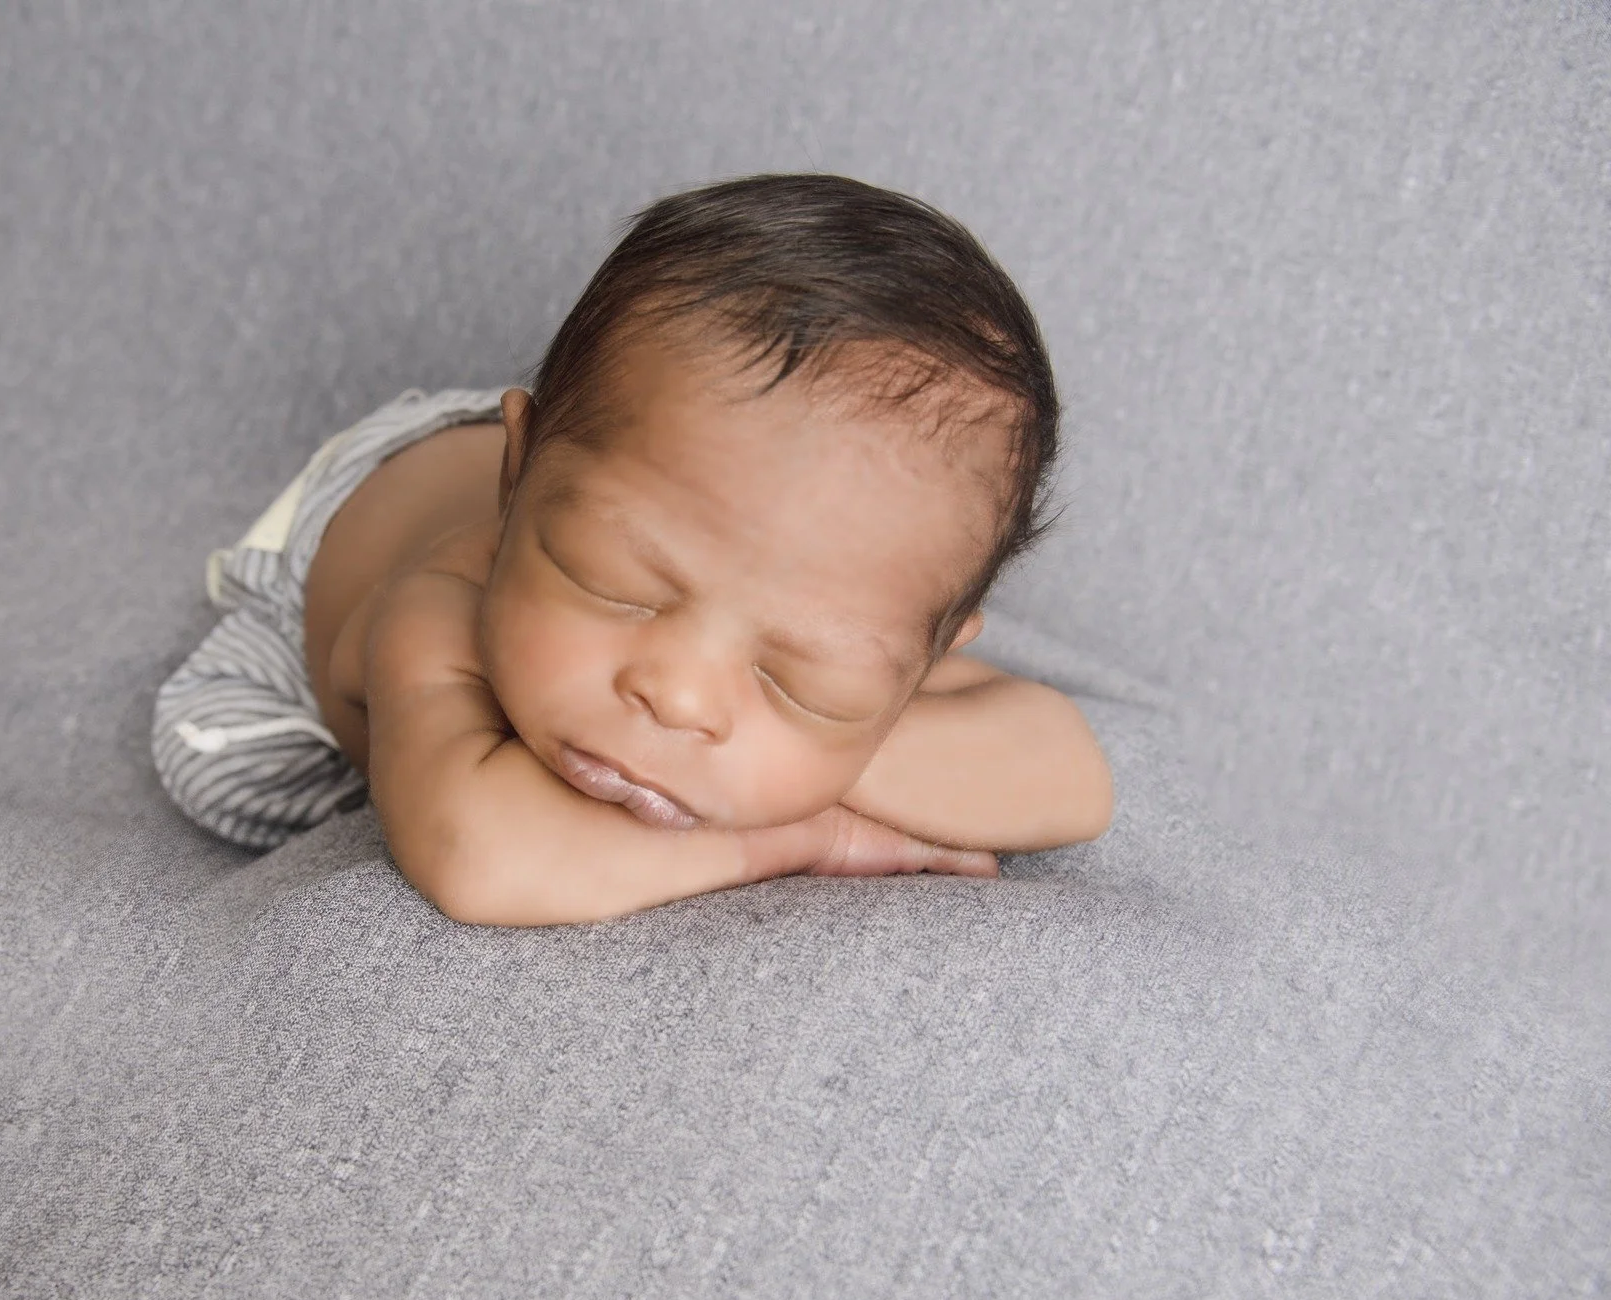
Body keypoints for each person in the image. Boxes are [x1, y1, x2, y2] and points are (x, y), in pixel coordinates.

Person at [154, 173, 1113, 926]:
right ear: (518, 478)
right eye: (612, 584)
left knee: (652, 479)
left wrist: (816, 750)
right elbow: (480, 856)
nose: (680, 695)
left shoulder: (824, 597)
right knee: (215, 769)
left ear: (931, 656)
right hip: (353, 520)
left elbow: (1072, 781)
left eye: (798, 677)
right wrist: (804, 824)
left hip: (625, 467)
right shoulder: (436, 606)